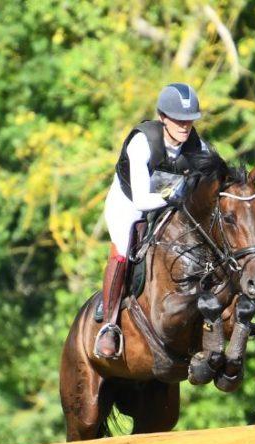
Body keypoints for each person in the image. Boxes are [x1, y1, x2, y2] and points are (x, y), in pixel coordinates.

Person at [94, 82, 210, 360]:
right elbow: (142, 202)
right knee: (123, 249)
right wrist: (177, 194)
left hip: (167, 202)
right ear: (163, 118)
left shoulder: (198, 147)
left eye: (190, 120)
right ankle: (109, 325)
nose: (185, 126)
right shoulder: (142, 143)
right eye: (178, 120)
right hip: (129, 203)